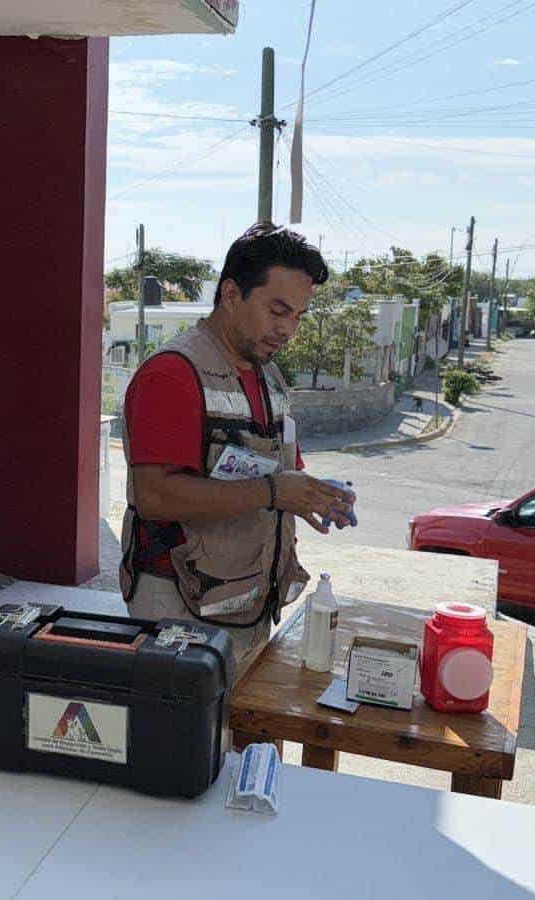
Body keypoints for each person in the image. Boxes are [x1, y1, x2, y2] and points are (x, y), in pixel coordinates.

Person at [118, 224, 353, 688]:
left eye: (299, 316)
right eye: (277, 310)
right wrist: (272, 492)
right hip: (179, 616)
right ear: (230, 294)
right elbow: (155, 496)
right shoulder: (172, 374)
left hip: (248, 610)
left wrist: (312, 497)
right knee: (184, 753)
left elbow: (282, 471)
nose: (288, 329)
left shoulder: (269, 378)